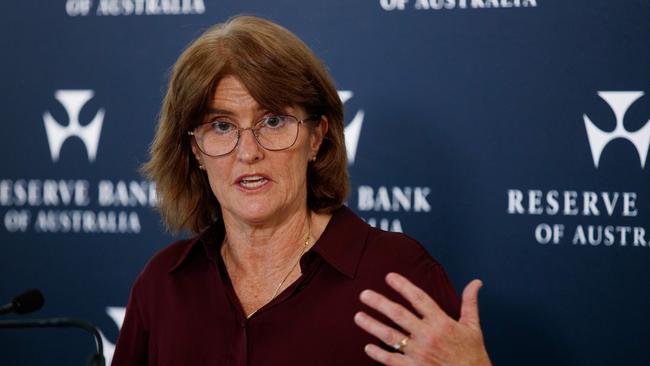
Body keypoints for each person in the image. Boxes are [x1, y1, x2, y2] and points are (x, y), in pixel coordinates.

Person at [112, 15, 491, 366]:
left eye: (273, 121)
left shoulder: (397, 275)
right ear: (196, 150)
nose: (248, 152)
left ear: (316, 138)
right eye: (222, 126)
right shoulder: (164, 284)